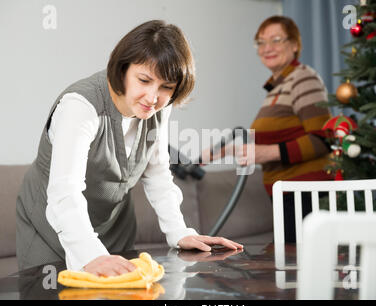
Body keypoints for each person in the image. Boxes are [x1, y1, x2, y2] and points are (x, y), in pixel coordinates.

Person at [16, 20, 243, 277]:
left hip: (115, 233)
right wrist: (90, 253)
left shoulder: (159, 109)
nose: (152, 97)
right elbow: (64, 192)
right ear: (123, 69)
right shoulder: (80, 106)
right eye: (144, 80)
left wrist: (179, 232)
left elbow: (157, 174)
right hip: (50, 235)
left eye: (166, 87)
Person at [203, 16, 332, 242]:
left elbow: (323, 140)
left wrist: (263, 153)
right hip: (286, 194)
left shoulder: (303, 79)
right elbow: (280, 136)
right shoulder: (278, 87)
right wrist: (231, 149)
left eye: (275, 40)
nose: (267, 48)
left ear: (294, 45)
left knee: (300, 267)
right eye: (261, 42)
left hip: (306, 194)